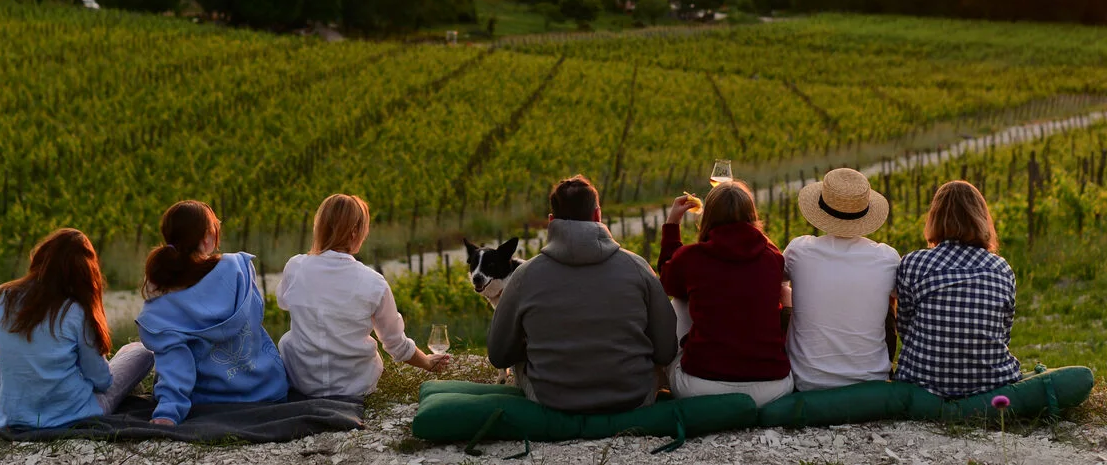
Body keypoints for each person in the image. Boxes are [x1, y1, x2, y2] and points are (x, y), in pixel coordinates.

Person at [486, 175, 677, 413]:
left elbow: (498, 354)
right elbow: (667, 348)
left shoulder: (524, 276)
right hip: (633, 396)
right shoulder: (638, 267)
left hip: (550, 399)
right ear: (598, 215)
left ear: (551, 221)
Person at [277, 194, 450, 397]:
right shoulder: (373, 282)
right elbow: (396, 344)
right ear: (354, 233)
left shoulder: (296, 267)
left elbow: (284, 302)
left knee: (288, 340)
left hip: (302, 384)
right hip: (354, 388)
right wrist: (427, 362)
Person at [137, 200, 289, 424]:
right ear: (208, 237)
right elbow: (257, 314)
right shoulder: (239, 269)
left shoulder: (161, 306)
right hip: (267, 389)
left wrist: (168, 413)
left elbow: (175, 364)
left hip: (209, 401)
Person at [0, 228, 154, 428]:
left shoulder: (1, 296)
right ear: (85, 272)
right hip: (71, 413)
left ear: (41, 258)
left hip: (11, 413)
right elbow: (101, 381)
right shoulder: (75, 310)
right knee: (140, 351)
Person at [657, 181, 792, 406]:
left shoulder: (691, 257)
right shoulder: (772, 258)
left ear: (707, 217)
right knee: (781, 292)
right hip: (772, 388)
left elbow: (667, 284)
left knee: (679, 301)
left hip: (702, 387)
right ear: (753, 217)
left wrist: (672, 224)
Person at [892, 180, 1022, 398]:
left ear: (934, 218)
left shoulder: (913, 263)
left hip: (921, 382)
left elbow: (904, 328)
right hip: (992, 384)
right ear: (981, 218)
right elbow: (1002, 333)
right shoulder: (1001, 268)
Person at [784, 167, 900, 391]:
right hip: (871, 381)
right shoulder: (887, 257)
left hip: (805, 382)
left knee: (785, 299)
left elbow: (774, 283)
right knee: (888, 303)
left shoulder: (798, 250)